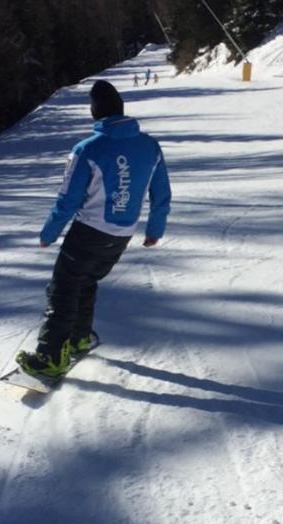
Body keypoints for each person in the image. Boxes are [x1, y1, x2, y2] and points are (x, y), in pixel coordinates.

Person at [16, 79, 171, 382]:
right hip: (122, 234)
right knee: (85, 281)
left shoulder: (87, 149)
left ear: (94, 112)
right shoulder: (150, 146)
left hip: (89, 231)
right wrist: (155, 229)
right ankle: (78, 338)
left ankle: (50, 357)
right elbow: (161, 192)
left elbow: (68, 199)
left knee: (63, 289)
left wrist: (49, 233)